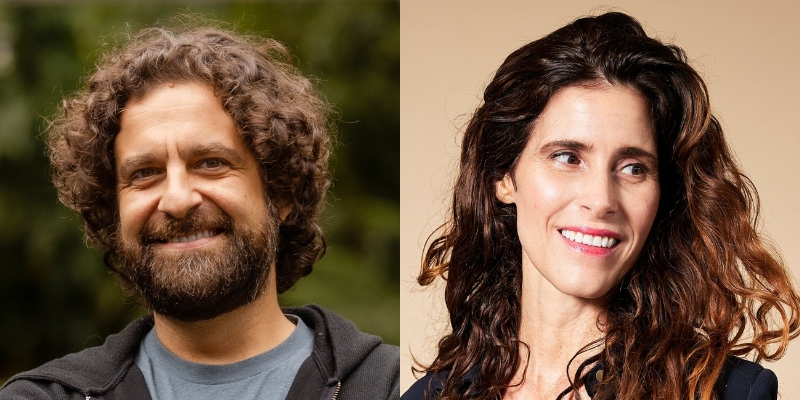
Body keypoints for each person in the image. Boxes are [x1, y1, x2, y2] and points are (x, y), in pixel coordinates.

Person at [402, 12, 799, 400]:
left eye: (633, 168)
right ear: (503, 177)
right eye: (568, 157)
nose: (601, 200)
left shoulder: (726, 391)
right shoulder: (432, 394)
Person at [0, 22, 399, 400]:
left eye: (210, 163)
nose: (176, 199)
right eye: (145, 173)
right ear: (113, 210)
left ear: (281, 193)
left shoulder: (400, 386)